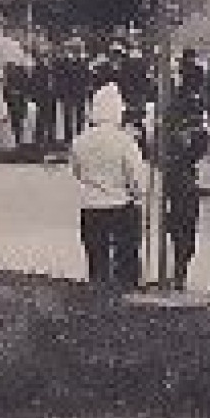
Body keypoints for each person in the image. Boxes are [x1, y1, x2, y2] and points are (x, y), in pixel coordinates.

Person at [69, 83, 147, 288]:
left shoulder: (80, 141)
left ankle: (99, 292)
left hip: (91, 206)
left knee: (97, 259)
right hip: (120, 206)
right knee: (126, 256)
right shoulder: (125, 141)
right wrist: (136, 193)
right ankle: (126, 288)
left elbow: (77, 172)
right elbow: (136, 177)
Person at [162, 80, 209, 290]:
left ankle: (179, 271)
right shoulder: (184, 132)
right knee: (185, 229)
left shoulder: (184, 131)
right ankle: (179, 271)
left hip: (179, 181)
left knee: (182, 229)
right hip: (183, 182)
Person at [54, 38, 91, 146]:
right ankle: (68, 139)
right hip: (68, 92)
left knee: (80, 116)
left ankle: (80, 137)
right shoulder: (63, 62)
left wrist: (86, 90)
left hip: (79, 92)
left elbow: (86, 77)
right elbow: (60, 78)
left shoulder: (83, 62)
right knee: (68, 116)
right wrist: (60, 92)